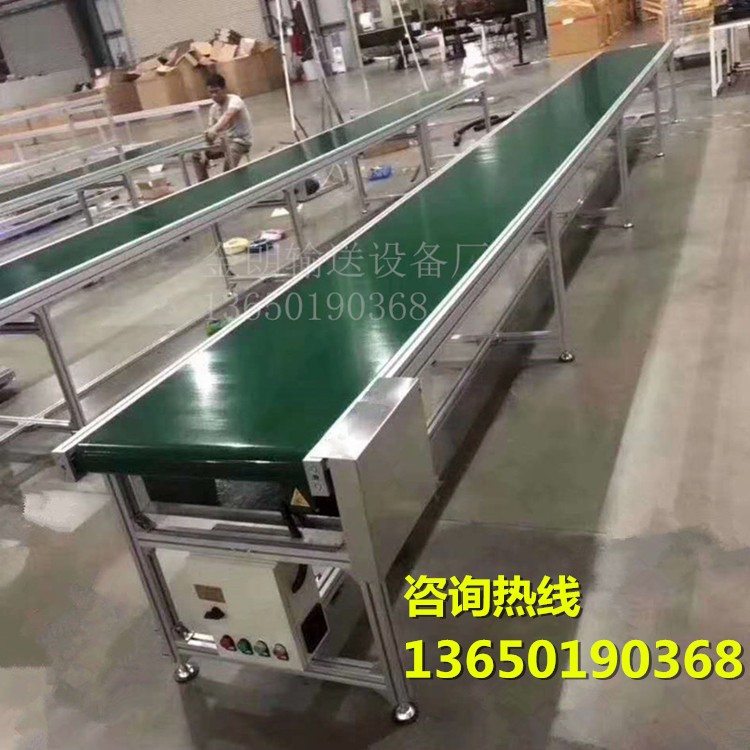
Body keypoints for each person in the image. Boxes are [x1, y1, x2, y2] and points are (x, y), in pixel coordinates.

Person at [192, 73, 252, 182]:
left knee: (227, 172)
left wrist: (214, 129)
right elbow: (211, 133)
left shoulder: (235, 100)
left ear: (224, 89)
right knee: (197, 154)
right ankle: (204, 184)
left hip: (240, 142)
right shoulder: (213, 109)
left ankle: (228, 182)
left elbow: (228, 116)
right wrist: (205, 148)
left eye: (216, 91)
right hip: (224, 143)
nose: (214, 95)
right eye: (211, 92)